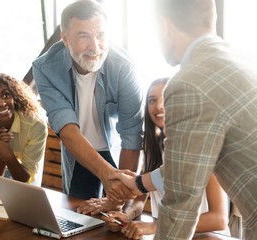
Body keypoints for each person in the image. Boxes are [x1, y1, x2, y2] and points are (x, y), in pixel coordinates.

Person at [109, 0, 257, 239]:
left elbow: (180, 205)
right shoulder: (239, 61)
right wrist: (138, 184)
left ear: (164, 26)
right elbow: (186, 166)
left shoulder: (189, 83)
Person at [32, 0, 144, 200]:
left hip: (118, 151)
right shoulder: (45, 68)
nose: (95, 47)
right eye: (84, 36)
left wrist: (120, 195)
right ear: (65, 38)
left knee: (119, 217)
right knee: (81, 215)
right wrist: (106, 173)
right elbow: (65, 127)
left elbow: (131, 134)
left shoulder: (124, 67)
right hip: (78, 153)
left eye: (101, 35)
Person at [103, 78, 230, 239]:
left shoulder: (202, 145)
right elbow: (139, 199)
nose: (158, 106)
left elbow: (219, 219)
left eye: (166, 98)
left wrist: (157, 226)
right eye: (152, 100)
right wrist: (126, 216)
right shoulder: (153, 147)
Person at [0, 67, 48, 184]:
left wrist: (8, 155)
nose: (2, 103)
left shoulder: (35, 124)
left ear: (14, 95)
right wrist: (1, 156)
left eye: (6, 95)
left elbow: (26, 179)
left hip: (27, 182)